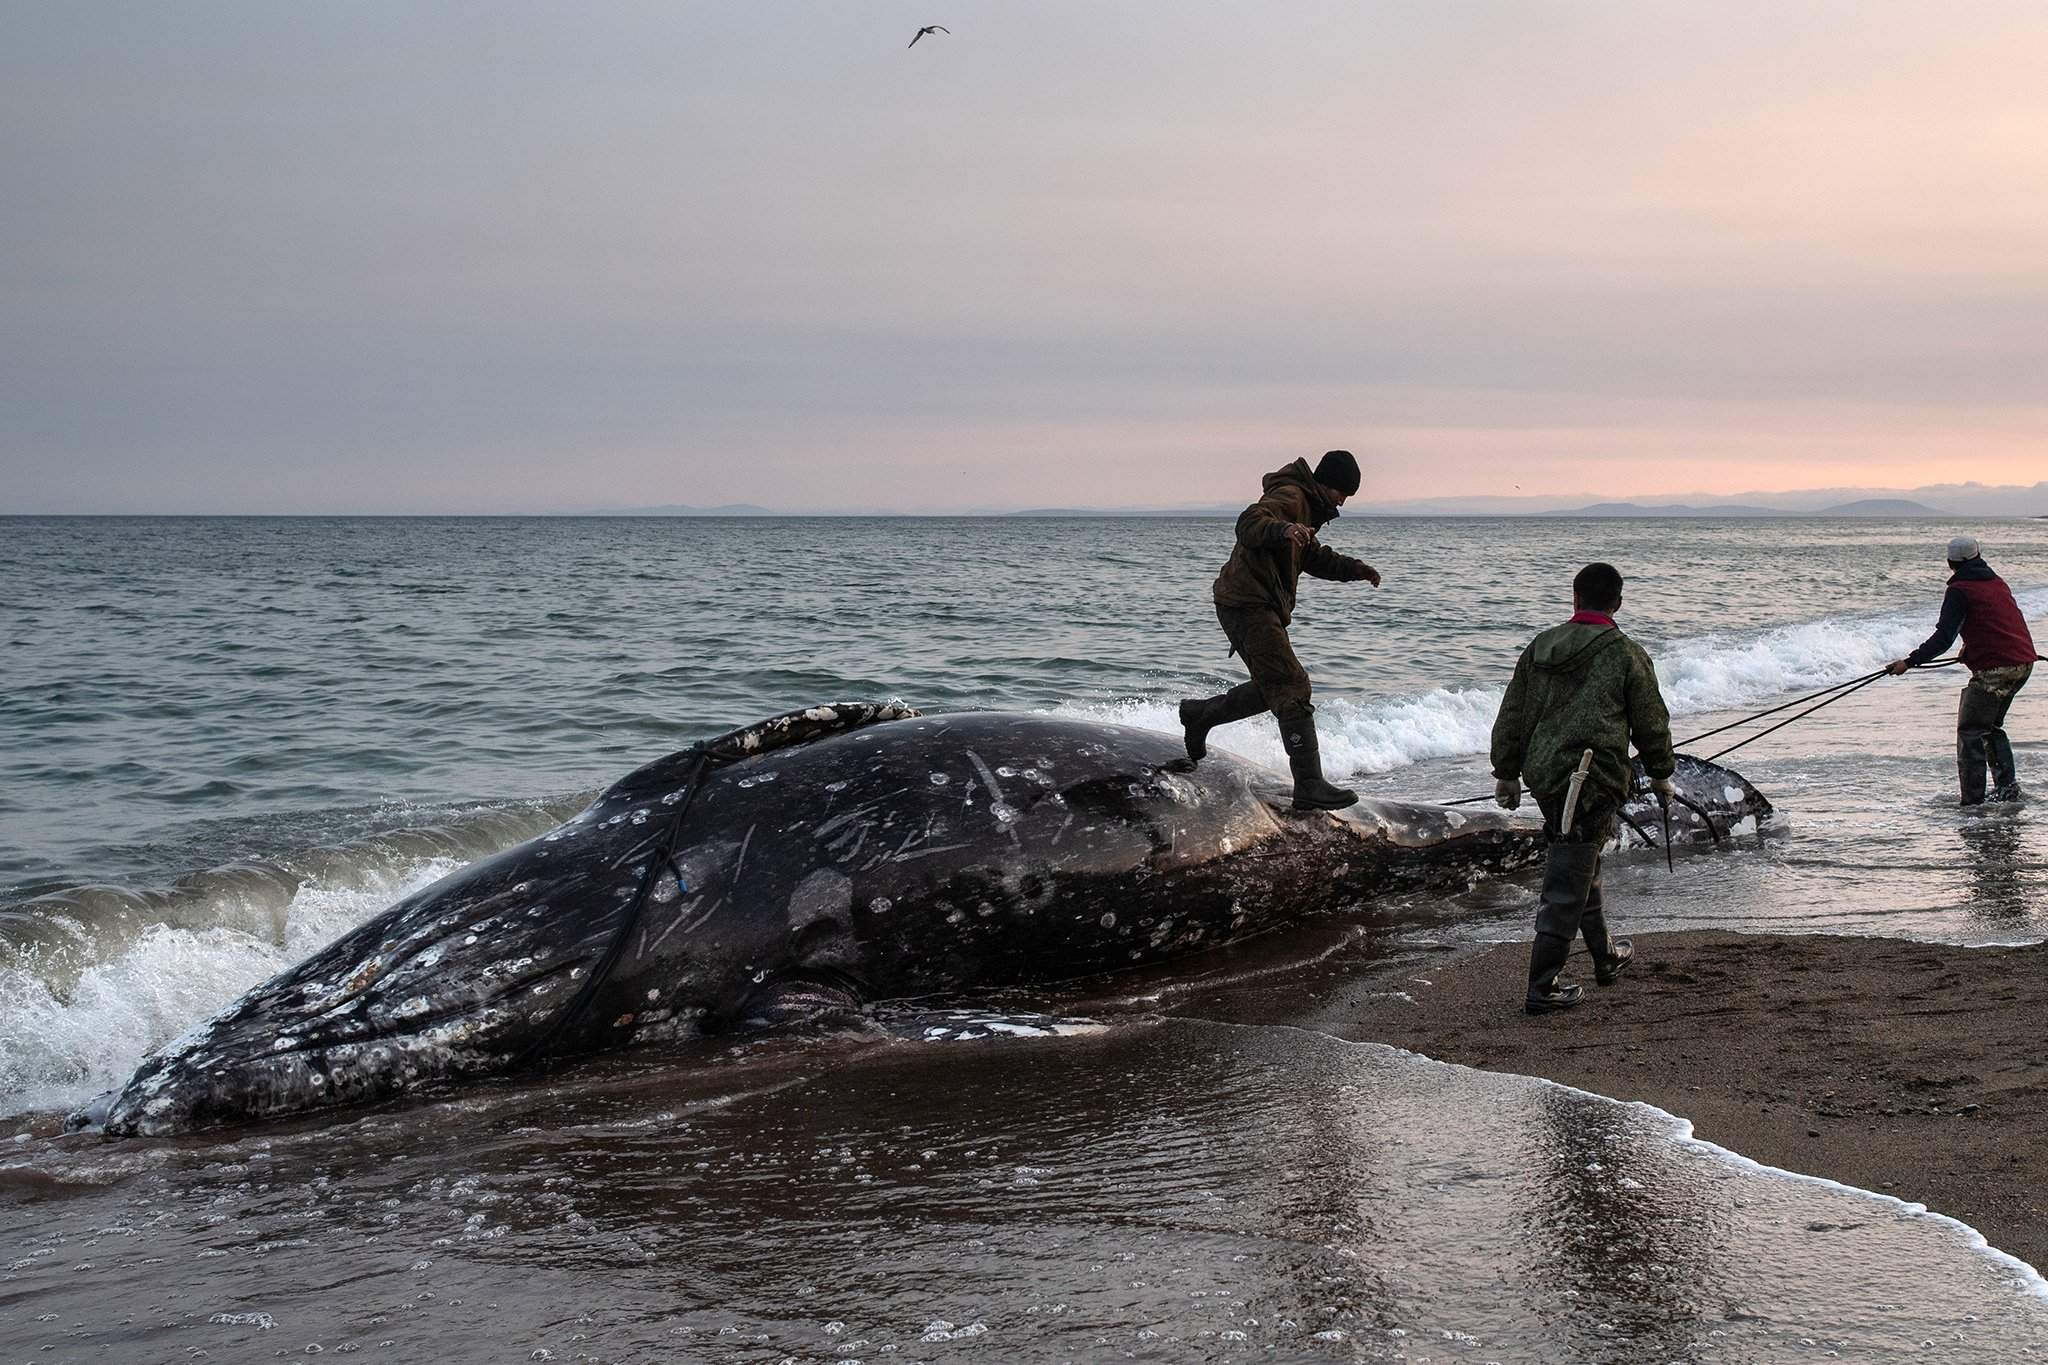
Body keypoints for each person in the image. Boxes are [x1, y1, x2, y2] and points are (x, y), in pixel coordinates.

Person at [1490, 562, 1675, 1014]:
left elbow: (1511, 713)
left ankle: (1605, 956)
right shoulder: (1626, 652)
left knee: (1580, 862)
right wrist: (1662, 773)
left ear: (1575, 599)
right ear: (1617, 603)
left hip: (1545, 777)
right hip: (1591, 780)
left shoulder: (1540, 646)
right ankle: (1542, 984)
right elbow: (1651, 721)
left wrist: (1507, 773)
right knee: (1568, 878)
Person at [1177, 450, 1381, 810]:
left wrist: (1355, 569)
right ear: (1328, 483)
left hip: (1251, 603)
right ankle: (1309, 784)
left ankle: (1201, 715)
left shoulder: (1306, 508)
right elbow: (1249, 523)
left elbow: (1313, 556)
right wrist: (1283, 528)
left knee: (1273, 688)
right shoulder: (1291, 497)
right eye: (1343, 493)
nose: (1342, 502)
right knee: (1292, 685)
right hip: (1246, 603)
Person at [1884, 536, 2037, 805]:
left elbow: (1944, 638)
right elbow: (1999, 621)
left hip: (1997, 669)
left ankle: (1972, 803)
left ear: (1949, 562)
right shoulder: (1996, 582)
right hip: (2023, 663)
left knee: (1971, 731)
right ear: (1979, 556)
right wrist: (1971, 646)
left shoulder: (1960, 589)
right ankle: (2007, 790)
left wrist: (1909, 662)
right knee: (1990, 728)